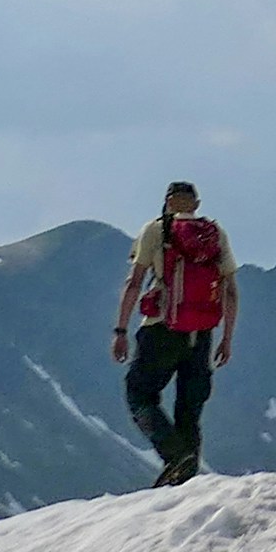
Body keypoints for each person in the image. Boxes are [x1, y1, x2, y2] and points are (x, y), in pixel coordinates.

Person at [109, 179, 236, 486]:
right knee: (189, 409)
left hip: (161, 330)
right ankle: (186, 481)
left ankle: (176, 457)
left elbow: (135, 282)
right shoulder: (214, 233)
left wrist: (121, 329)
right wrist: (227, 338)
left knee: (139, 393)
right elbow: (230, 290)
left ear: (167, 202)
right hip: (202, 334)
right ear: (196, 204)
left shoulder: (156, 230)